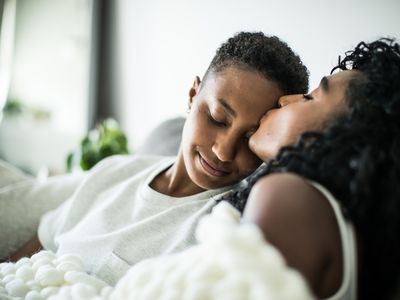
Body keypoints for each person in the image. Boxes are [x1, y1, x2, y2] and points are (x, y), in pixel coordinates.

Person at [4, 31, 309, 285]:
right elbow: (18, 265)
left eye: (250, 138)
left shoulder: (225, 231)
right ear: (192, 96)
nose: (224, 151)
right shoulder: (113, 172)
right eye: (217, 118)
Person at [223, 38, 400, 300]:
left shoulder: (289, 197)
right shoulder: (346, 234)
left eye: (310, 97)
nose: (283, 100)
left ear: (346, 137)